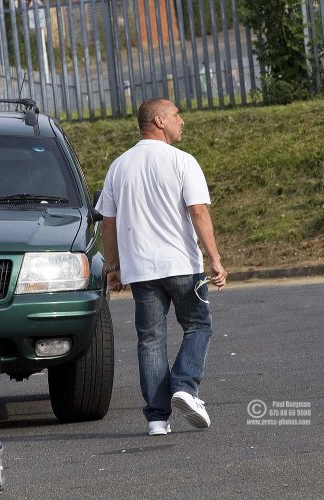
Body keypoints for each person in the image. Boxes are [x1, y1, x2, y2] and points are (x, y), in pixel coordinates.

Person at [96, 98, 227, 436]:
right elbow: (198, 213)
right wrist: (215, 258)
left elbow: (107, 223)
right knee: (198, 325)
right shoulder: (182, 161)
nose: (181, 120)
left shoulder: (119, 166)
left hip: (140, 269)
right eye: (176, 115)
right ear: (158, 120)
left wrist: (114, 267)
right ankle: (185, 386)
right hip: (181, 263)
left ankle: (157, 419)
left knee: (151, 340)